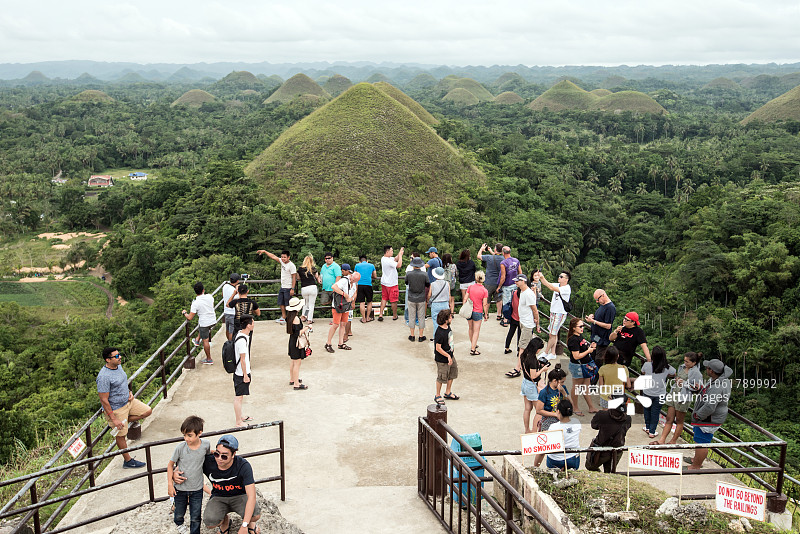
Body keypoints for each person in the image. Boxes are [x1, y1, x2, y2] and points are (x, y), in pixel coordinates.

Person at [96, 347, 152, 468]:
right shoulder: (104, 377)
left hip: (128, 402)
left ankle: (123, 423)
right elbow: (104, 400)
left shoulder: (118, 366)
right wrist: (114, 419)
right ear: (107, 360)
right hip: (116, 408)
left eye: (119, 355)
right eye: (116, 356)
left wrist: (129, 392)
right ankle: (127, 460)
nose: (119, 357)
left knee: (147, 411)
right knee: (121, 435)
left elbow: (122, 382)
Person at [202, 435, 261, 534]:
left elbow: (251, 496)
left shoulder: (243, 466)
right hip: (218, 496)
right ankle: (225, 521)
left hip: (239, 496)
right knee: (210, 522)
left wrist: (244, 525)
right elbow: (188, 464)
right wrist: (175, 473)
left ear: (233, 454)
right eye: (217, 454)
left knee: (255, 515)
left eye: (224, 456)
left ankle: (250, 523)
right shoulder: (208, 461)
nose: (219, 459)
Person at [167, 415, 211, 534]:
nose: (186, 438)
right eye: (184, 435)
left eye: (189, 435)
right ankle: (179, 523)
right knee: (179, 513)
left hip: (197, 488)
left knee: (196, 515)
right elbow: (170, 465)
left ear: (199, 433)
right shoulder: (180, 448)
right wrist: (170, 484)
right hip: (180, 488)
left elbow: (207, 455)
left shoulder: (206, 445)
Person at [687, 358, 733, 470]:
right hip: (712, 416)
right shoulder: (721, 380)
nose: (706, 369)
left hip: (709, 418)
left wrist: (698, 415)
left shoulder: (717, 386)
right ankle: (696, 459)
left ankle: (696, 466)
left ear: (711, 371)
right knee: (699, 439)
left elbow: (710, 406)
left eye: (707, 368)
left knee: (702, 441)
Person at [652, 352, 703, 445]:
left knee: (679, 421)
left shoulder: (697, 373)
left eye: (687, 362)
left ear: (694, 363)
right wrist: (677, 380)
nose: (685, 363)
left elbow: (698, 387)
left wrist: (684, 383)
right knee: (669, 418)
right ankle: (662, 440)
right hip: (674, 393)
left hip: (683, 397)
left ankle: (673, 440)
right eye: (685, 361)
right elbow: (678, 378)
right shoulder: (682, 367)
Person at [533, 367, 569, 467]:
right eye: (561, 382)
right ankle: (535, 467)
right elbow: (539, 410)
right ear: (554, 381)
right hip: (549, 419)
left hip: (561, 419)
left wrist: (563, 392)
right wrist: (554, 414)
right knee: (543, 448)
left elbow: (569, 402)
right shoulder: (544, 392)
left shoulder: (563, 389)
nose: (563, 384)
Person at [586, 396, 632, 473]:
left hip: (601, 450)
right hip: (617, 450)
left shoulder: (602, 415)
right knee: (609, 472)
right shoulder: (628, 419)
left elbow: (594, 426)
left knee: (590, 466)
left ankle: (600, 477)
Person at [639, 346, 676, 438]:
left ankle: (647, 427)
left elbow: (642, 372)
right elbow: (673, 373)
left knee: (647, 411)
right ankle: (652, 431)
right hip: (660, 394)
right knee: (655, 413)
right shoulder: (667, 367)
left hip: (647, 392)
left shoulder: (647, 365)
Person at [566, 317, 598, 416]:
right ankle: (575, 407)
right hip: (578, 366)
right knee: (576, 387)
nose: (582, 328)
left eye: (583, 326)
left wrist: (590, 347)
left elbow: (582, 349)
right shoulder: (573, 340)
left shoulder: (579, 336)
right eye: (580, 326)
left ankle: (591, 407)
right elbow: (576, 356)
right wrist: (588, 351)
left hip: (585, 365)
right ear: (573, 328)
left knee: (586, 387)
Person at [256, 250, 297, 324]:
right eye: (282, 257)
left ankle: (291, 319)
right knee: (281, 303)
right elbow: (273, 256)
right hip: (282, 287)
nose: (283, 258)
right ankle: (283, 317)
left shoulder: (292, 265)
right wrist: (265, 251)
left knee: (289, 304)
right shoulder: (281, 261)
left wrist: (292, 288)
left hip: (288, 287)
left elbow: (294, 277)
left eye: (284, 257)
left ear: (288, 257)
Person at [539, 270, 572, 359]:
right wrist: (540, 277)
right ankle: (553, 353)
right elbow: (547, 284)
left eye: (561, 277)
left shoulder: (566, 288)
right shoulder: (558, 285)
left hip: (559, 313)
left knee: (552, 335)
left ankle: (546, 353)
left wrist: (542, 277)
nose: (559, 277)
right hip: (554, 312)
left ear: (566, 279)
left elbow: (551, 288)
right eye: (559, 276)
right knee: (554, 333)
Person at [182, 281, 216, 365]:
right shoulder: (210, 297)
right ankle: (197, 340)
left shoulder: (195, 303)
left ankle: (209, 359)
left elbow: (190, 317)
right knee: (202, 327)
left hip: (205, 323)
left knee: (205, 340)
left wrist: (184, 313)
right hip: (213, 320)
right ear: (203, 290)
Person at [520, 337, 549, 433]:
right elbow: (534, 375)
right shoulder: (532, 360)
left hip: (525, 383)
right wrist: (542, 369)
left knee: (527, 409)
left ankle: (527, 430)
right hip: (531, 386)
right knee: (539, 411)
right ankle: (534, 431)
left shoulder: (524, 355)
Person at [325, 271, 360, 352]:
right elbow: (334, 287)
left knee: (343, 324)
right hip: (338, 306)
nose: (353, 281)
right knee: (335, 325)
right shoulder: (344, 280)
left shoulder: (354, 283)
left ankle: (340, 343)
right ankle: (328, 343)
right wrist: (345, 295)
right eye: (353, 279)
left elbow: (355, 292)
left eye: (355, 281)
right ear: (351, 275)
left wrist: (352, 299)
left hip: (346, 306)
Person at [233, 315, 254, 427]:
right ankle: (238, 421)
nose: (254, 324)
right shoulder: (242, 340)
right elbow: (242, 359)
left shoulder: (242, 335)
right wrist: (245, 375)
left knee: (240, 396)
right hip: (241, 372)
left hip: (241, 371)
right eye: (252, 322)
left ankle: (240, 416)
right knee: (238, 397)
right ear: (248, 325)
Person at [547, 399, 581, 471]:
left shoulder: (553, 427)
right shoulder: (577, 422)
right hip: (572, 457)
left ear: (558, 411)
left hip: (555, 459)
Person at [584, 289, 616, 365]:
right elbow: (601, 319)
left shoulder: (610, 308)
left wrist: (593, 321)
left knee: (598, 360)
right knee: (592, 357)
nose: (597, 302)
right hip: (596, 337)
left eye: (597, 299)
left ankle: (598, 376)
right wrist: (592, 317)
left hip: (602, 340)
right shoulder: (603, 306)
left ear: (603, 295)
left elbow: (608, 325)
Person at [433, 309, 459, 405]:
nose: (452, 318)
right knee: (441, 377)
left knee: (452, 373)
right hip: (442, 359)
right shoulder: (439, 333)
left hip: (450, 356)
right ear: (445, 319)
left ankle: (448, 392)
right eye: (450, 317)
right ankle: (437, 395)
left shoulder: (448, 327)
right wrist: (448, 356)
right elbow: (438, 348)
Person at [285, 297, 310, 390]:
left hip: (292, 341)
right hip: (297, 343)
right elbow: (298, 333)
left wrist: (301, 319)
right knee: (297, 363)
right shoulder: (296, 318)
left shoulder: (290, 317)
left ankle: (292, 379)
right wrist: (307, 327)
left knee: (293, 361)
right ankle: (296, 384)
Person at [405, 257, 430, 342]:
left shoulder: (408, 274)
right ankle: (421, 336)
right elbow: (427, 284)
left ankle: (412, 335)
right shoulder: (424, 274)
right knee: (421, 317)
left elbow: (406, 283)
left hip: (411, 297)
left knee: (411, 316)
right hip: (421, 298)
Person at [478, 243, 504, 320]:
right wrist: (492, 251)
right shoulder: (503, 259)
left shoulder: (489, 257)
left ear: (495, 249)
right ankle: (499, 314)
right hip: (499, 283)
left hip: (489, 281)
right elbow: (496, 256)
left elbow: (478, 256)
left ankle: (486, 313)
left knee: (487, 298)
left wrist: (481, 249)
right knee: (499, 299)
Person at [496, 246, 521, 327]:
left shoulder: (503, 263)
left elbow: (503, 277)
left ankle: (506, 320)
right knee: (514, 302)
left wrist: (499, 287)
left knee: (506, 303)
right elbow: (520, 273)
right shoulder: (516, 261)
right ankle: (514, 318)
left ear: (503, 253)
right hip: (515, 284)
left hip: (507, 285)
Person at [465, 270, 489, 355]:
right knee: (476, 331)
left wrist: (465, 306)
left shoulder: (470, 287)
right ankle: (473, 349)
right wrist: (486, 314)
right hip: (478, 311)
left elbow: (465, 298)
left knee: (470, 328)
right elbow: (485, 304)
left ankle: (473, 344)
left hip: (469, 311)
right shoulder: (484, 290)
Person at [378, 245, 404, 321]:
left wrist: (400, 253)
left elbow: (395, 259)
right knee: (393, 300)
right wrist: (401, 256)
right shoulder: (388, 261)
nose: (392, 252)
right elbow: (399, 265)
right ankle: (394, 315)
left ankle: (380, 314)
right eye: (391, 251)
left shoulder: (384, 259)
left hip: (384, 282)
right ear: (387, 252)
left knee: (384, 298)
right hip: (392, 283)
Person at [297, 255, 321, 324]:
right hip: (312, 287)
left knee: (305, 303)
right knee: (311, 304)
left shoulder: (300, 269)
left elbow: (298, 278)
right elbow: (317, 277)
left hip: (304, 288)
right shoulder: (313, 269)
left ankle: (304, 316)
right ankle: (309, 319)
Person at [354, 255, 378, 322]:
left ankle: (363, 318)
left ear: (360, 261)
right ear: (367, 261)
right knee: (369, 301)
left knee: (362, 302)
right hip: (368, 285)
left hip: (360, 285)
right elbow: (375, 276)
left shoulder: (357, 265)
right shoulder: (371, 265)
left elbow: (355, 276)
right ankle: (368, 318)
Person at [428, 267, 451, 338]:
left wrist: (429, 301)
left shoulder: (432, 284)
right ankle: (446, 337)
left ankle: (436, 338)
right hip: (445, 304)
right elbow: (449, 295)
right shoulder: (447, 284)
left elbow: (429, 295)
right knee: (446, 322)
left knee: (436, 322)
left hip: (436, 304)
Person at [222, 273, 241, 341]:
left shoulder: (225, 286)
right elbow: (238, 299)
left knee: (227, 328)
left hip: (226, 312)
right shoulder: (234, 291)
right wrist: (237, 291)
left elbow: (222, 295)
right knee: (232, 331)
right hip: (232, 312)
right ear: (237, 281)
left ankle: (228, 342)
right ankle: (231, 343)